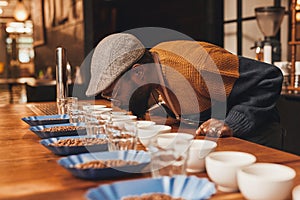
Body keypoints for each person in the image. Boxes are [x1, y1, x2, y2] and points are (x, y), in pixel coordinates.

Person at [85, 32, 284, 149]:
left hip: (257, 136)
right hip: (218, 142)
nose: (113, 101)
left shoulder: (199, 66)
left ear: (138, 74)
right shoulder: (152, 71)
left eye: (114, 93)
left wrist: (232, 122)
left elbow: (269, 77)